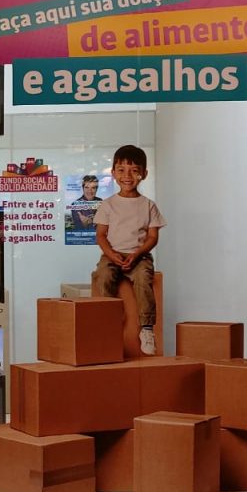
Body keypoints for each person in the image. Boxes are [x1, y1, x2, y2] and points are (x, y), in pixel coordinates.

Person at [92, 145, 166, 355]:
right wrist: (111, 254)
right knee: (103, 276)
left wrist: (137, 253)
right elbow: (101, 235)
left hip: (139, 255)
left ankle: (147, 328)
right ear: (113, 173)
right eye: (122, 170)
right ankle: (108, 322)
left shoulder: (148, 205)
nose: (127, 176)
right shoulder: (108, 205)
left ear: (144, 174)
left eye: (134, 170)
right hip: (112, 254)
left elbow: (153, 237)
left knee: (144, 278)